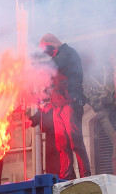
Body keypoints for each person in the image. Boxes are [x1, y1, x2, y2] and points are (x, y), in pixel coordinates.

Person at [27, 33, 91, 180]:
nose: (44, 52)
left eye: (44, 48)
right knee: (62, 144)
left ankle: (86, 176)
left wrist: (32, 69)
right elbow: (51, 84)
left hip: (70, 104)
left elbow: (53, 66)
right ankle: (67, 177)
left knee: (75, 142)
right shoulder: (57, 58)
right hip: (58, 107)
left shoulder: (67, 53)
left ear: (52, 43)